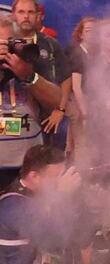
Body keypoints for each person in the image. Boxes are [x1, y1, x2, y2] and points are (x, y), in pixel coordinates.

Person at [0, 16, 65, 190]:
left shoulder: (29, 64)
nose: (4, 49)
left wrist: (29, 76)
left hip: (29, 171)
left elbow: (57, 100)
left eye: (8, 42)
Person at [11, 0, 71, 140]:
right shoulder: (5, 43)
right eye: (21, 12)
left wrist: (60, 109)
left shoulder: (50, 43)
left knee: (45, 160)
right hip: (12, 116)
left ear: (38, 16)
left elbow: (66, 77)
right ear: (13, 15)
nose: (26, 16)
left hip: (46, 118)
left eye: (31, 12)